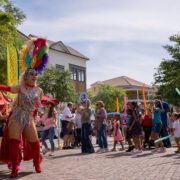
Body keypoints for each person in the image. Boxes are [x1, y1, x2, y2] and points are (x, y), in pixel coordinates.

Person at [0, 37, 49, 178]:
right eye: (31, 74)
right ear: (26, 76)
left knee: (34, 142)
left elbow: (37, 105)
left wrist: (38, 114)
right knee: (15, 142)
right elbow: (8, 87)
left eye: (35, 74)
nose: (34, 76)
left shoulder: (39, 91)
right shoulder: (20, 87)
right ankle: (15, 167)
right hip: (17, 115)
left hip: (29, 117)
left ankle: (36, 163)